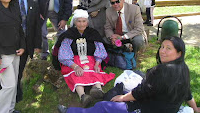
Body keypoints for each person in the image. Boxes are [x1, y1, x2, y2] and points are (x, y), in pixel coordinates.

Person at [58, 36, 200, 113]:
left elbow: (141, 92)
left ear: (179, 53)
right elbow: (187, 92)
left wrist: (123, 98)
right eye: (162, 47)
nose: (162, 51)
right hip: (163, 107)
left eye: (168, 48)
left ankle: (70, 111)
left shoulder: (160, 71)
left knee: (103, 107)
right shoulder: (183, 68)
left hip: (145, 109)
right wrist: (194, 108)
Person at [0, 0, 42, 112]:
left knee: (14, 83)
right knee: (9, 86)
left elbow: (19, 30)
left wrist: (23, 46)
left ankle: (10, 109)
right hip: (2, 55)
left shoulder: (13, 8)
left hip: (16, 52)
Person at [57, 9, 115, 107]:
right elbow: (64, 53)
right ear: (75, 22)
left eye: (84, 21)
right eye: (79, 21)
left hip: (91, 59)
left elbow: (100, 48)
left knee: (95, 71)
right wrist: (75, 66)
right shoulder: (69, 34)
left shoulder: (93, 33)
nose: (81, 24)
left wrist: (97, 63)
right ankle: (83, 96)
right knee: (78, 74)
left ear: (87, 22)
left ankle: (98, 91)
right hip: (74, 60)